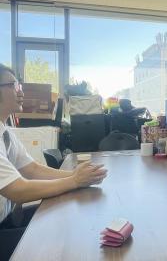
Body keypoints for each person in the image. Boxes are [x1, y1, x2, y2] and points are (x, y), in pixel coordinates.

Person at [0, 64, 107, 260]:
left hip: (9, 221)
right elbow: (17, 190)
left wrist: (77, 176)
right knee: (70, 243)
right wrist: (74, 181)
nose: (20, 91)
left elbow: (31, 169)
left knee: (70, 220)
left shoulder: (6, 132)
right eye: (13, 85)